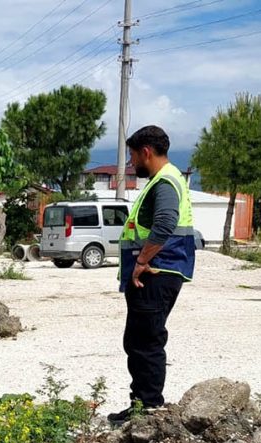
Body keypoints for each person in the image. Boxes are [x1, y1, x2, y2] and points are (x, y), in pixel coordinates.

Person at [108, 125, 196, 425]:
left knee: (146, 341)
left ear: (146, 151)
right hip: (161, 272)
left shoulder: (165, 182)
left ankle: (147, 409)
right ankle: (141, 405)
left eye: (133, 156)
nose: (132, 163)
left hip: (156, 273)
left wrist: (143, 260)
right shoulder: (166, 179)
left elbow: (165, 222)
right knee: (139, 339)